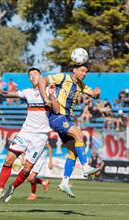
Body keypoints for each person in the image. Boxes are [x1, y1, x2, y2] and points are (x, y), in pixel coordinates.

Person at [0, 67, 59, 205]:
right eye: (30, 75)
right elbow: (4, 93)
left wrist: (52, 96)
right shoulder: (27, 92)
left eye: (35, 74)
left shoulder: (50, 90)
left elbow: (57, 110)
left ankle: (12, 188)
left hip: (41, 137)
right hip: (25, 132)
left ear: (41, 76)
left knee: (27, 169)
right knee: (8, 160)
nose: (32, 77)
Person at [38, 63, 101, 198]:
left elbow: (94, 95)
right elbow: (42, 80)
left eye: (86, 72)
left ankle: (64, 182)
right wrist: (45, 97)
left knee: (73, 152)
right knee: (79, 134)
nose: (84, 74)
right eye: (82, 71)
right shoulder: (63, 77)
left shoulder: (81, 86)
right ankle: (85, 167)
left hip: (66, 118)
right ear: (74, 70)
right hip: (57, 116)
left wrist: (96, 93)